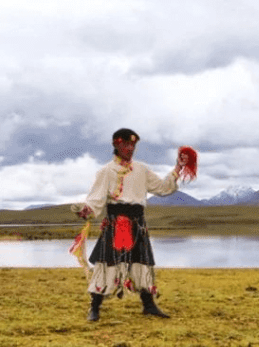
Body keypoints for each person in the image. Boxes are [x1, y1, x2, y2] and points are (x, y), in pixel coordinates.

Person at [74, 128, 192, 322]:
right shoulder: (105, 172)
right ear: (116, 145)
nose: (130, 149)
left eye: (133, 145)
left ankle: (149, 305)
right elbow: (95, 199)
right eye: (126, 144)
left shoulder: (142, 169)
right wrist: (87, 210)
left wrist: (178, 169)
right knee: (107, 264)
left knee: (142, 264)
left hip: (138, 223)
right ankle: (94, 307)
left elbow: (162, 188)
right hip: (116, 222)